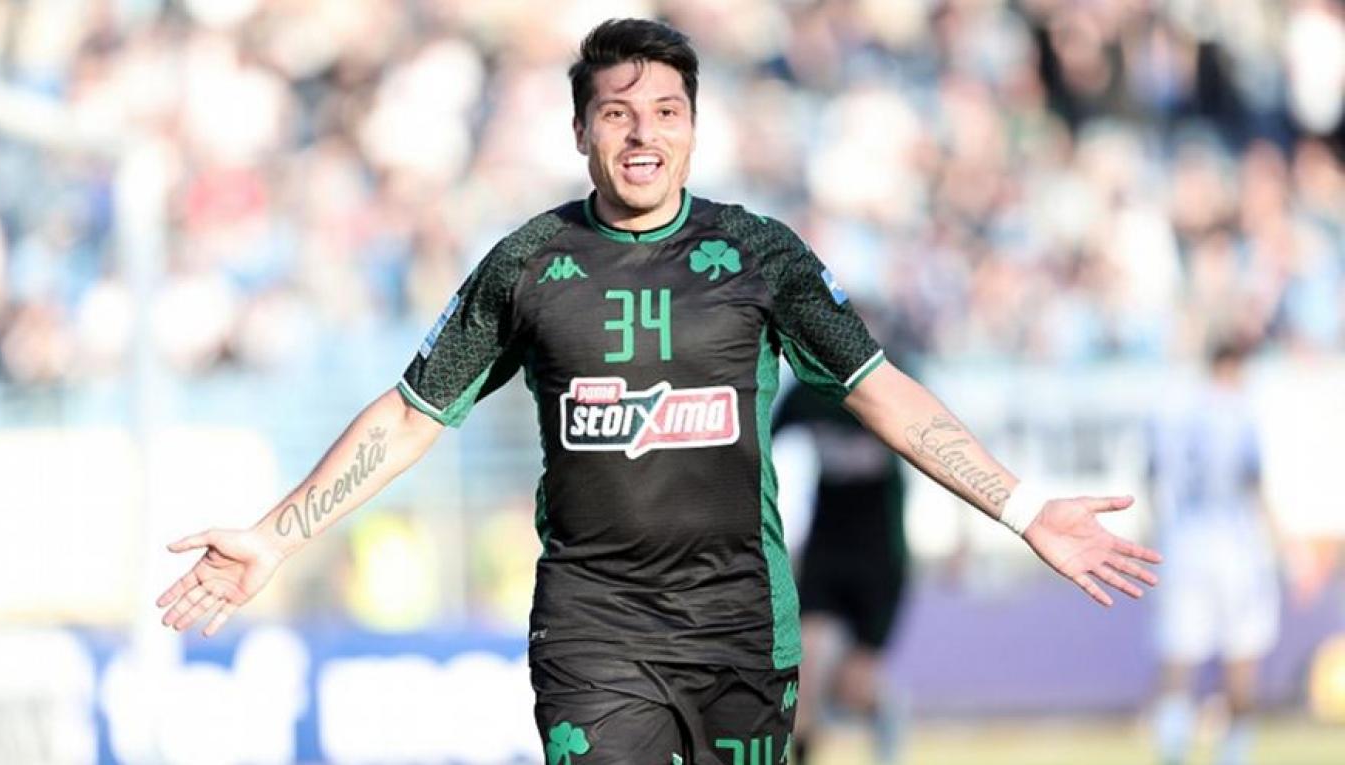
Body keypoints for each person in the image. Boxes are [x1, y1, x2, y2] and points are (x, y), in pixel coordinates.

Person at [158, 19, 1160, 765]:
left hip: (742, 628)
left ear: (693, 129)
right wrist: (277, 535)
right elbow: (412, 413)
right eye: (617, 114)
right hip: (592, 628)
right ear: (579, 131)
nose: (644, 135)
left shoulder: (761, 257)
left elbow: (880, 392)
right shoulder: (527, 264)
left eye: (667, 113)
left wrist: (1024, 509)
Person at [772, 310, 912, 764]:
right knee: (807, 673)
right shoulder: (809, 393)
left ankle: (885, 719)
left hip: (880, 557)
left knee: (854, 689)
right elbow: (758, 446)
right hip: (826, 551)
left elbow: (943, 446)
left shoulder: (895, 387)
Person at [1148, 336, 1281, 765]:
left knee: (1177, 660)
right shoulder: (1238, 413)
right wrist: (1282, 544)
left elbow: (1152, 478)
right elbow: (1252, 481)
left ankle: (1172, 752)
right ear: (1232, 366)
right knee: (1241, 656)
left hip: (1182, 542)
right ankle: (1233, 755)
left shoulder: (1172, 411)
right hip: (1234, 544)